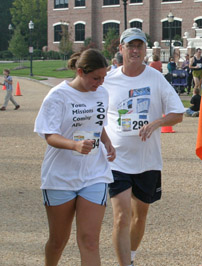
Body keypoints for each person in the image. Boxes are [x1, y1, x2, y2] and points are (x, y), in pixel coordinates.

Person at [102, 27, 185, 266]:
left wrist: (156, 123)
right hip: (116, 159)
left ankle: (131, 257)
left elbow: (178, 113)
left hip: (147, 160)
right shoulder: (108, 80)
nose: (135, 50)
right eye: (130, 46)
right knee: (121, 217)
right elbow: (94, 113)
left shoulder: (155, 78)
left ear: (145, 49)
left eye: (139, 46)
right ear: (121, 49)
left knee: (140, 216)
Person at [33, 49, 116, 266]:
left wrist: (107, 142)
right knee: (58, 240)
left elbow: (98, 124)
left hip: (94, 174)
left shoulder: (102, 93)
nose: (100, 83)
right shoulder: (58, 96)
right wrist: (75, 145)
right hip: (60, 176)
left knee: (90, 241)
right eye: (95, 78)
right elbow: (49, 135)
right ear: (80, 71)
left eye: (103, 77)